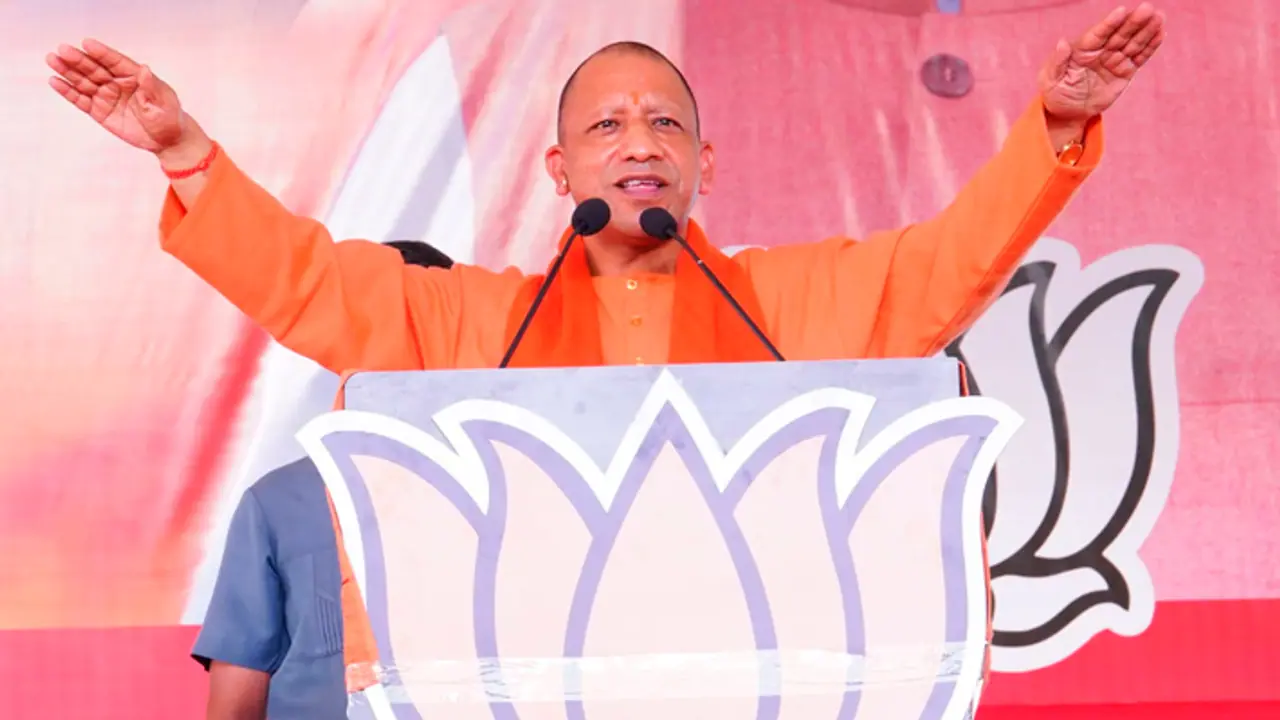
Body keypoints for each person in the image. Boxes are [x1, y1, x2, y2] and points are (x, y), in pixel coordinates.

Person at [45, 4, 1162, 717]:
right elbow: (304, 277)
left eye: (664, 126)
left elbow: (951, 264)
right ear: (557, 164)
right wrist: (189, 156)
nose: (639, 143)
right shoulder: (472, 325)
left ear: (703, 164)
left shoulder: (789, 302)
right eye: (608, 127)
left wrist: (1052, 129)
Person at [188, 240, 455, 720]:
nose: (404, 343)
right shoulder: (278, 502)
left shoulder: (525, 494)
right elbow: (235, 701)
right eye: (380, 320)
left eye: (429, 322)